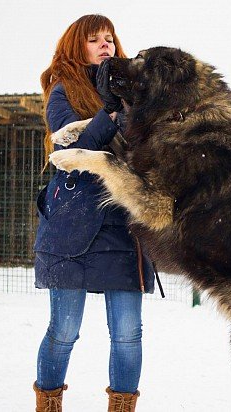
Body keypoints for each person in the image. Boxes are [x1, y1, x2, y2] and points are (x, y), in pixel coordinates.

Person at [33, 14, 155, 412]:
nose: (105, 44)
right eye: (94, 39)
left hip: (123, 224)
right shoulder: (62, 91)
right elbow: (71, 151)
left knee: (127, 333)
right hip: (73, 223)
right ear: (76, 45)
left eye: (109, 38)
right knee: (64, 331)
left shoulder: (134, 92)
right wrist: (108, 110)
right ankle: (48, 404)